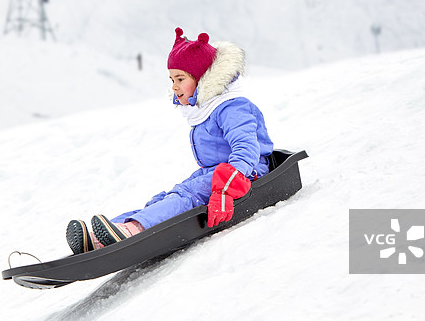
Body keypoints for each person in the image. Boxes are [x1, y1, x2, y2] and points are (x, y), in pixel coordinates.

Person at [66, 27, 274, 254]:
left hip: (244, 173)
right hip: (215, 172)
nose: (174, 86)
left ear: (202, 78)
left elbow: (246, 150)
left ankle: (134, 230)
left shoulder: (232, 107)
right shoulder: (205, 109)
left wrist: (225, 190)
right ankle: (109, 233)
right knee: (170, 196)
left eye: (180, 78)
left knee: (187, 197)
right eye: (172, 79)